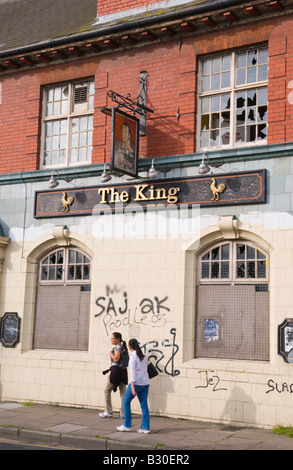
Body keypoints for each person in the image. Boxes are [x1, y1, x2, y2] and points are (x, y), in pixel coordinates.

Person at [117, 338, 150, 433]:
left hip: (137, 383)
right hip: (145, 383)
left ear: (129, 346)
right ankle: (145, 427)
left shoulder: (133, 357)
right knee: (144, 405)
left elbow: (132, 372)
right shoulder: (144, 355)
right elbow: (146, 367)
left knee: (125, 401)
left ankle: (127, 425)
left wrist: (132, 386)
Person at [99, 332, 128, 419]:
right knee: (123, 393)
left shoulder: (118, 348)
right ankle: (123, 413)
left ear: (118, 339)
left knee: (107, 391)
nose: (111, 340)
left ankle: (108, 411)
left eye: (113, 338)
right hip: (123, 372)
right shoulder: (123, 348)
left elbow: (116, 359)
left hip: (116, 372)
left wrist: (110, 353)